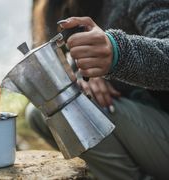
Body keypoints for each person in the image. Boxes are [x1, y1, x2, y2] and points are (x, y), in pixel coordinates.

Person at [26, 0, 169, 179]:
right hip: (139, 123)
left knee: (78, 108)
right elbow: (73, 67)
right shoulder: (55, 7)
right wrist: (85, 76)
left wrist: (117, 52)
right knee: (40, 112)